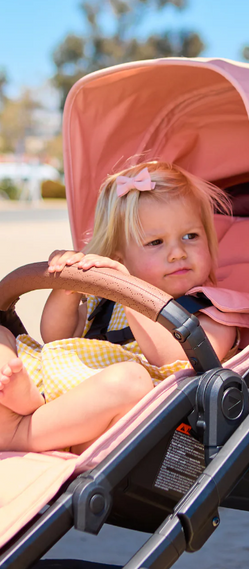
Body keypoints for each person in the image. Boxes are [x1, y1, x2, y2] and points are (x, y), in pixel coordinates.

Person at [0, 161, 236, 455]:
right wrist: (67, 284)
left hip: (119, 419)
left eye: (191, 236)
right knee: (2, 335)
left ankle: (20, 433)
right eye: (156, 242)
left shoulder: (216, 310)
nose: (177, 253)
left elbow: (175, 356)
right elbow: (56, 336)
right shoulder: (106, 302)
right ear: (119, 257)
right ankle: (28, 403)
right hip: (59, 395)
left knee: (131, 380)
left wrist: (127, 290)